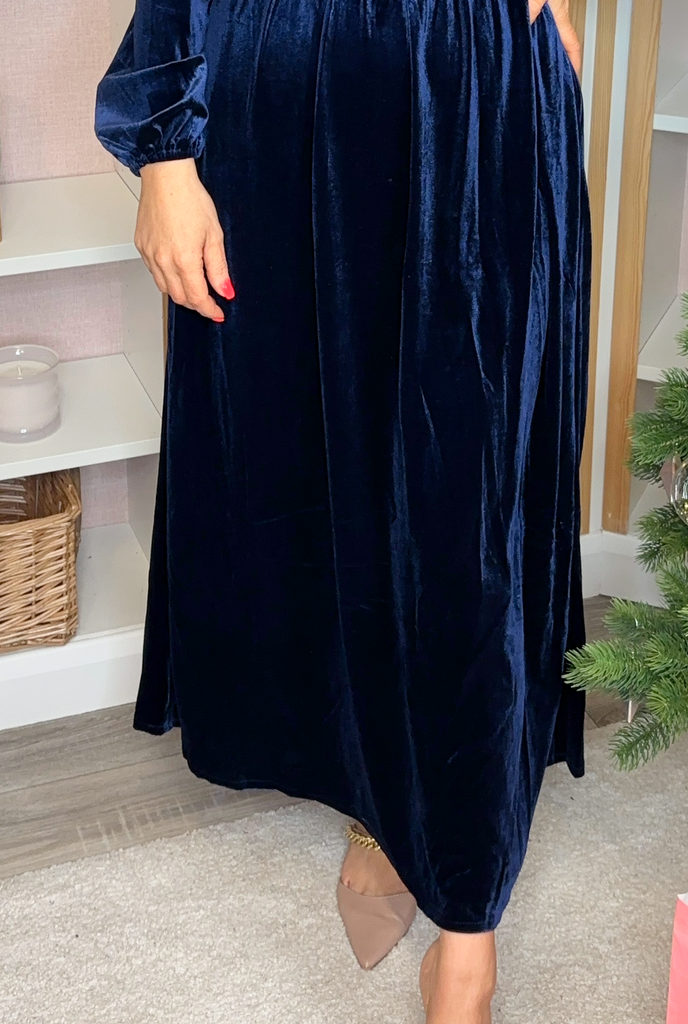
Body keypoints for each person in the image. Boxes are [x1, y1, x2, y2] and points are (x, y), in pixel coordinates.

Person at [94, 0, 590, 1018]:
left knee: (466, 499)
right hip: (277, 84)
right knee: (301, 464)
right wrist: (164, 150)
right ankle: (374, 798)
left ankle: (467, 923)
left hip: (472, 75)